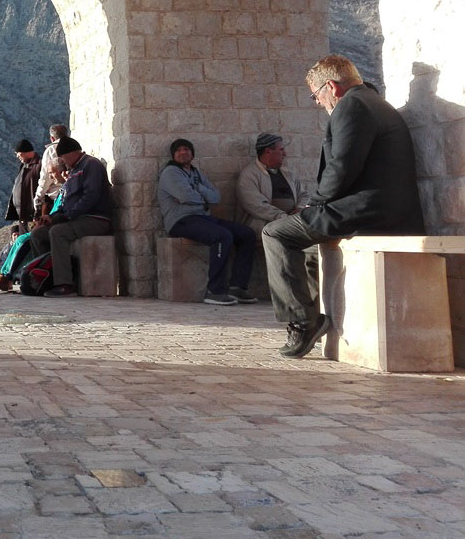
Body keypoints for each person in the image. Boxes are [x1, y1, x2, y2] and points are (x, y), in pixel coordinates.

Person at [263, 55, 424, 358]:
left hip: (368, 209)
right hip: (387, 208)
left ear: (332, 87)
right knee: (306, 247)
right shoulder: (373, 102)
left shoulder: (352, 106)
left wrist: (314, 203)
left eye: (316, 95)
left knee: (275, 233)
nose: (317, 102)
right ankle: (310, 315)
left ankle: (303, 323)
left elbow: (342, 167)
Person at [157, 138, 256, 305]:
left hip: (203, 218)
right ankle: (215, 291)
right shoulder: (171, 172)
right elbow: (185, 196)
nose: (183, 152)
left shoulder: (195, 173)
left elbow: (216, 197)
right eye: (179, 150)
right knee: (222, 236)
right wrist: (203, 198)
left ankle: (237, 287)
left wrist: (197, 189)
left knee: (247, 234)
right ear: (173, 155)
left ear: (192, 154)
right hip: (181, 220)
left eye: (187, 149)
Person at [27, 136, 112, 297]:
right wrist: (52, 217)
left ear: (71, 153)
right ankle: (45, 278)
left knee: (58, 232)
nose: (62, 161)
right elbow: (66, 201)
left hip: (94, 218)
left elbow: (90, 197)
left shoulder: (91, 165)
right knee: (38, 234)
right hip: (77, 218)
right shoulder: (74, 171)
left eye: (62, 157)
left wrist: (67, 216)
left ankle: (64, 284)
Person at [235, 133, 309, 232]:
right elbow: (257, 206)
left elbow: (303, 195)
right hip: (265, 226)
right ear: (268, 151)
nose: (285, 154)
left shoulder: (288, 173)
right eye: (281, 150)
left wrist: (300, 209)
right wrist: (285, 218)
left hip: (292, 222)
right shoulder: (249, 175)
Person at [33, 124, 68, 220]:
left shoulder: (51, 150)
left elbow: (45, 178)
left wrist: (38, 198)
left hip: (56, 197)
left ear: (52, 138)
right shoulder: (74, 146)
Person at [5, 139, 41, 232]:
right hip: (22, 215)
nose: (17, 156)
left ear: (25, 151)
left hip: (32, 215)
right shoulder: (24, 166)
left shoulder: (39, 165)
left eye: (18, 153)